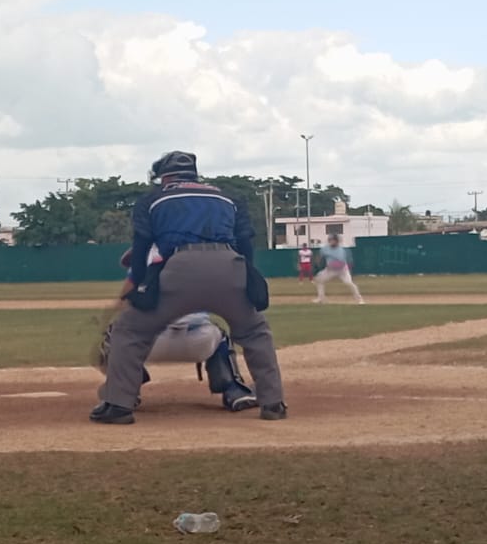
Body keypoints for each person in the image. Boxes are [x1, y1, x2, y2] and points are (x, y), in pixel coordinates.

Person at [91, 150, 285, 424]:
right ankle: (273, 403)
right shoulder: (228, 197)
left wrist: (140, 287)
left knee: (129, 330)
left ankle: (119, 405)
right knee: (255, 332)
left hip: (178, 266)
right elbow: (245, 240)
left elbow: (142, 244)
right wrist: (249, 274)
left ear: (164, 176)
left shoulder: (153, 200)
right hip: (230, 264)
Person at [94, 249, 258, 412]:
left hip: (149, 343)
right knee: (220, 335)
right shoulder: (202, 262)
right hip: (199, 342)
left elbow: (125, 287)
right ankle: (234, 390)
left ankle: (124, 391)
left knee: (115, 333)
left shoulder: (148, 257)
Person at [313, 234, 365, 304]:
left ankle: (359, 300)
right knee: (319, 280)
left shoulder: (341, 250)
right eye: (331, 240)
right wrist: (317, 264)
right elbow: (319, 256)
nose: (332, 241)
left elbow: (341, 263)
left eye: (333, 240)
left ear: (337, 241)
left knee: (349, 283)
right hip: (330, 270)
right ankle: (321, 298)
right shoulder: (325, 249)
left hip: (342, 270)